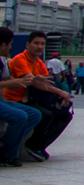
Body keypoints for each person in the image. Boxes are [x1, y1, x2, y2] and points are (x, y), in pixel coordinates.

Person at [5, 31, 73, 161]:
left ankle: (39, 145)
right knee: (45, 114)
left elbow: (47, 83)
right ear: (27, 44)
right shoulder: (20, 59)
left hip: (34, 99)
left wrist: (61, 94)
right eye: (36, 43)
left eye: (42, 44)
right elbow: (34, 82)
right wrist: (61, 92)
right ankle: (32, 145)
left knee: (65, 115)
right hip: (18, 100)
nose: (39, 47)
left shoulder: (39, 62)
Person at [0, 27, 41, 166]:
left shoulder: (2, 62)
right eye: (10, 44)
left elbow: (9, 83)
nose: (10, 48)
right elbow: (10, 82)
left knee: (35, 114)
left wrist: (28, 81)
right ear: (3, 45)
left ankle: (5, 144)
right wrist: (14, 81)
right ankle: (9, 155)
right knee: (19, 116)